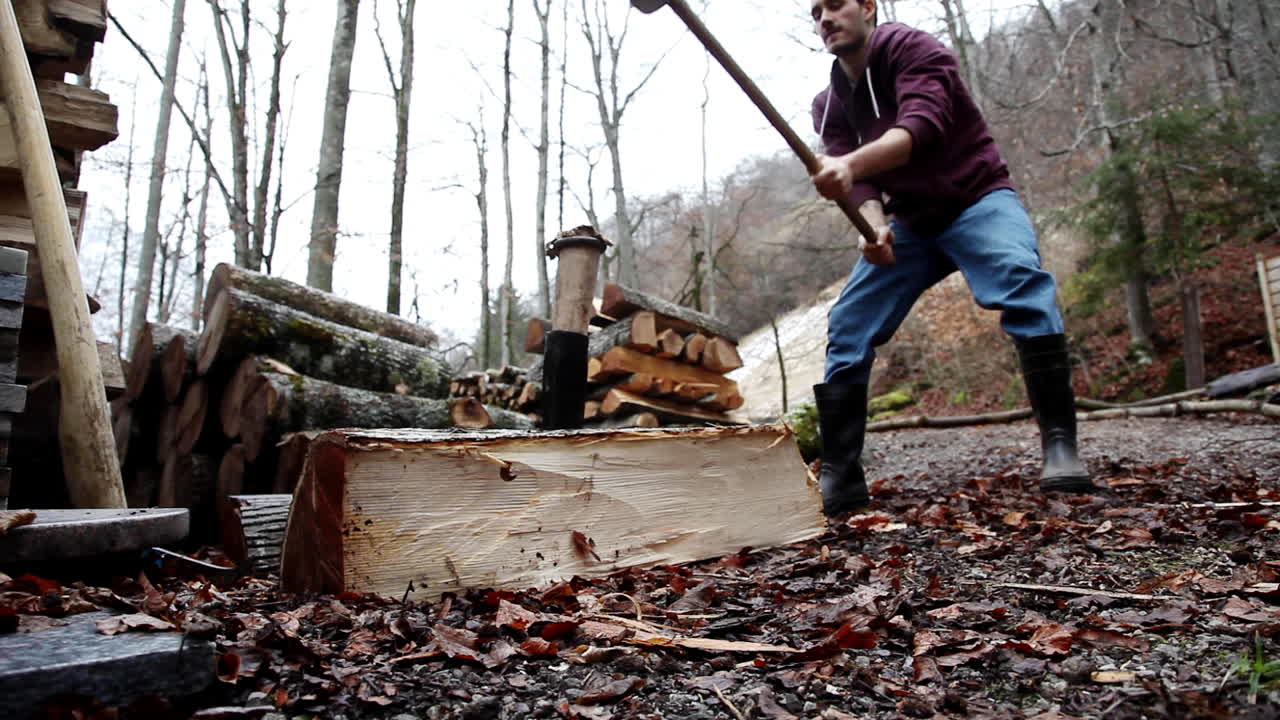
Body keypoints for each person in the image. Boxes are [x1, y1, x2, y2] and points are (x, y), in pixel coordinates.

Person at [807, 0, 1095, 517]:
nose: (824, 17)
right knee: (848, 323)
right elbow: (864, 186)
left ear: (868, 7)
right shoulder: (828, 104)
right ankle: (840, 472)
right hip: (910, 224)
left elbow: (921, 128)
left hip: (977, 199)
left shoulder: (915, 50)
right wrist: (873, 226)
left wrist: (847, 166)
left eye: (835, 4)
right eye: (814, 11)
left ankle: (1060, 444)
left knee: (1022, 282)